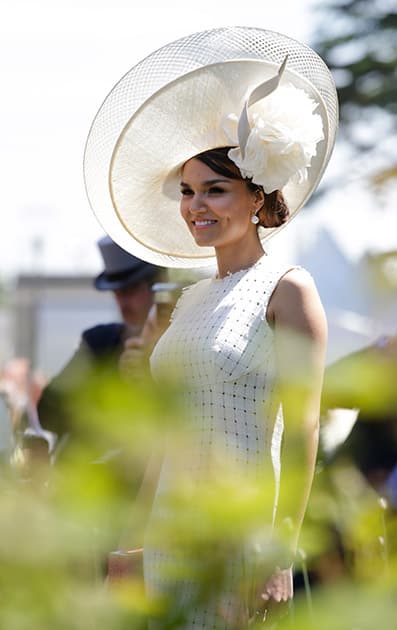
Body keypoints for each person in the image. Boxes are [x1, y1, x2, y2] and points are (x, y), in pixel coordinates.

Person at [84, 26, 338, 627]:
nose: (197, 205)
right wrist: (131, 542)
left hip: (239, 541)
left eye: (215, 189)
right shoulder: (191, 300)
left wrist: (280, 550)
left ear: (255, 197)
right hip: (169, 536)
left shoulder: (290, 289)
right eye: (189, 191)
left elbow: (302, 434)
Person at [37, 235, 162, 451]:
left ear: (156, 287)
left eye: (130, 290)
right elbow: (48, 411)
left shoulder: (180, 344)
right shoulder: (99, 343)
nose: (122, 301)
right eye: (116, 292)